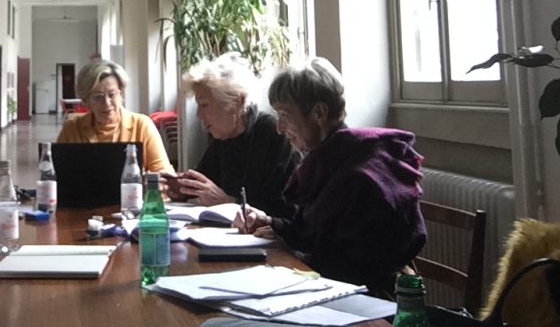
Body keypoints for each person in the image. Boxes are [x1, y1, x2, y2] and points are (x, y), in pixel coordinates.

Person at [233, 57, 426, 294]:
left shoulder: (361, 176)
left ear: (319, 113)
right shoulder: (330, 159)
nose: (279, 128)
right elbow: (316, 234)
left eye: (285, 115)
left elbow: (342, 261)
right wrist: (272, 223)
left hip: (368, 297)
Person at [162, 52, 298, 216]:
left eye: (204, 105)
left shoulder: (274, 135)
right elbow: (204, 187)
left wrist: (228, 202)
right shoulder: (223, 137)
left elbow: (282, 212)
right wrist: (180, 189)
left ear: (236, 101)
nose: (198, 115)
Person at [56, 59, 174, 174]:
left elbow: (163, 172)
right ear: (86, 100)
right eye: (98, 97)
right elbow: (58, 173)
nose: (106, 103)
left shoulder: (141, 125)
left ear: (121, 94)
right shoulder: (72, 129)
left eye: (112, 94)